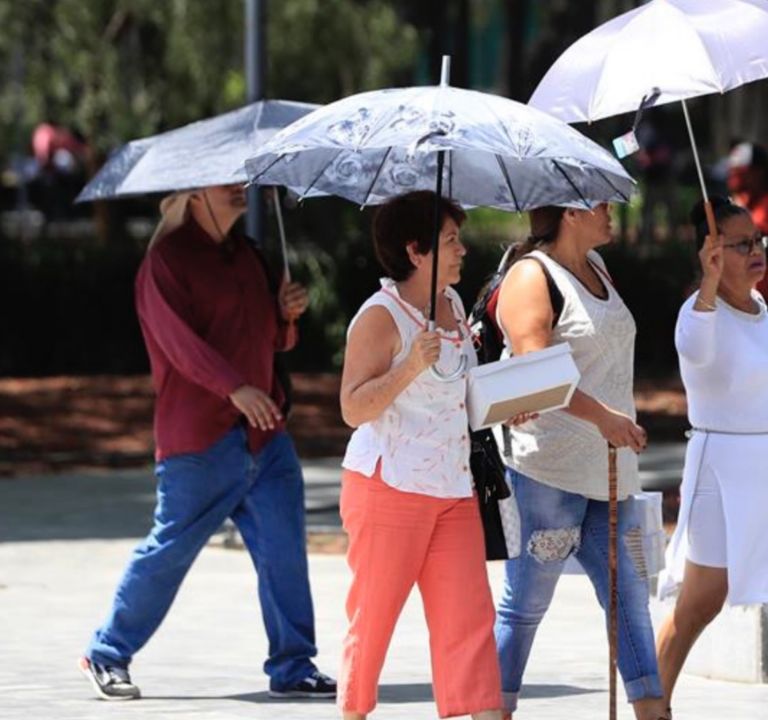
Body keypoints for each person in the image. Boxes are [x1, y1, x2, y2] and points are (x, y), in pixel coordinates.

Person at [80, 184, 333, 701]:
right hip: (199, 442)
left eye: (243, 182)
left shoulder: (249, 256)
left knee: (285, 552)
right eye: (227, 183)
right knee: (168, 552)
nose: (242, 191)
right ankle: (106, 652)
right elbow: (179, 346)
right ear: (194, 193)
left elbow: (271, 339)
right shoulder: (165, 263)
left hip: (266, 439)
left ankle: (293, 666)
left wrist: (286, 314)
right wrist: (232, 387)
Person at [493, 203, 667, 720]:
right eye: (602, 203)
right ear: (571, 211)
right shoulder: (530, 275)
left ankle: (652, 710)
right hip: (550, 471)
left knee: (630, 603)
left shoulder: (598, 268)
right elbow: (535, 369)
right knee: (526, 606)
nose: (612, 212)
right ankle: (494, 710)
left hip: (610, 472)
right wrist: (603, 419)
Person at [336, 191, 502, 720]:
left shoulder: (453, 304)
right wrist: (408, 366)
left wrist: (508, 404)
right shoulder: (379, 317)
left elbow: (461, 391)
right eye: (451, 240)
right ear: (415, 251)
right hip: (390, 488)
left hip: (453, 488)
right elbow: (352, 407)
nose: (462, 250)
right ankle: (353, 712)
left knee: (470, 623)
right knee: (374, 619)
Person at [656, 197, 768, 720]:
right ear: (710, 253)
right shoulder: (697, 313)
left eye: (759, 241)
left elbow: (761, 364)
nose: (757, 251)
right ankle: (652, 705)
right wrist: (707, 285)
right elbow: (696, 347)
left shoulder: (759, 307)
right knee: (698, 605)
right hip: (724, 477)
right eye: (742, 244)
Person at [725, 142, 768, 316]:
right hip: (742, 296)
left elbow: (760, 232)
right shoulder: (739, 201)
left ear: (759, 172)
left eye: (742, 174)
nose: (736, 181)